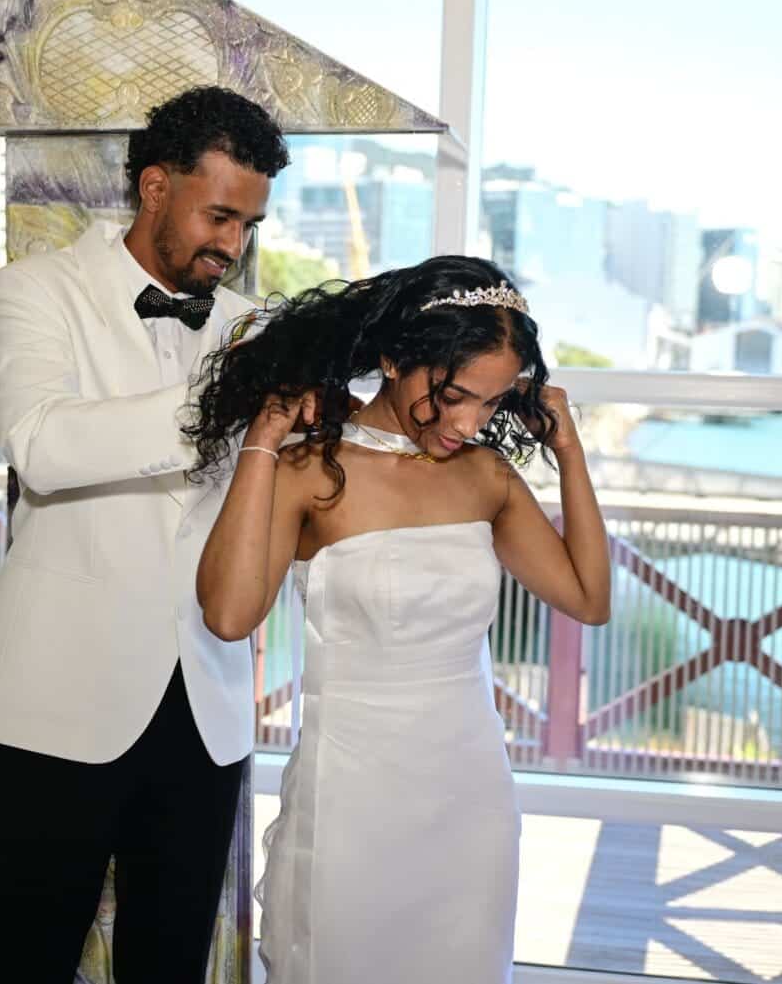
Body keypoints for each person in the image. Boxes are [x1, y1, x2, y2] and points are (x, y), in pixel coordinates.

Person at [0, 85, 290, 983]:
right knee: (25, 957)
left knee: (169, 963)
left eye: (248, 225)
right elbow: (44, 446)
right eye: (220, 216)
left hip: (204, 708)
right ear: (155, 187)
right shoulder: (35, 289)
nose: (233, 245)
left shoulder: (251, 328)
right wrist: (226, 399)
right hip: (61, 692)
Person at [191, 255, 613, 984]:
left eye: (490, 402)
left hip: (470, 797)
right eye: (453, 395)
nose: (468, 422)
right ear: (392, 359)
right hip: (352, 801)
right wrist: (264, 440)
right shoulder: (312, 471)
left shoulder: (484, 477)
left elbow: (589, 597)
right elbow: (228, 615)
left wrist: (569, 451)